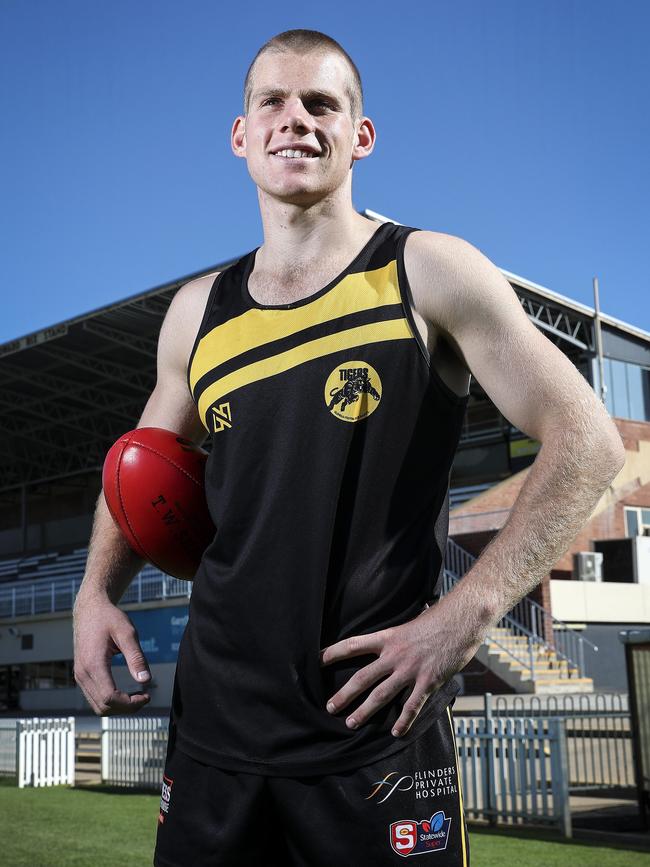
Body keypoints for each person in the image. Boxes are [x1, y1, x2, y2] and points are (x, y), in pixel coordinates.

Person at [72, 28, 625, 867]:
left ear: (360, 136)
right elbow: (140, 456)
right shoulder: (199, 314)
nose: (295, 119)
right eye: (273, 102)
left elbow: (587, 440)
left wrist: (463, 619)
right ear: (241, 134)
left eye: (321, 103)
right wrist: (92, 592)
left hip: (373, 736)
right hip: (215, 733)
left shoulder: (426, 270)